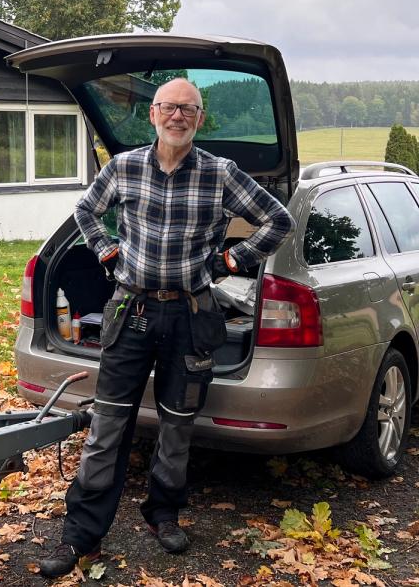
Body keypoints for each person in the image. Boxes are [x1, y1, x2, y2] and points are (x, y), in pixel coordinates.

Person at [39, 78, 294, 578]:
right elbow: (86, 210)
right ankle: (79, 535)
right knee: (108, 427)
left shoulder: (221, 174)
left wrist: (232, 259)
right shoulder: (125, 167)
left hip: (190, 316)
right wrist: (105, 250)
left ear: (200, 119)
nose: (178, 117)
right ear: (153, 114)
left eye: (189, 110)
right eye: (169, 108)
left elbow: (277, 220)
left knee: (177, 425)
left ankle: (162, 513)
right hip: (129, 312)